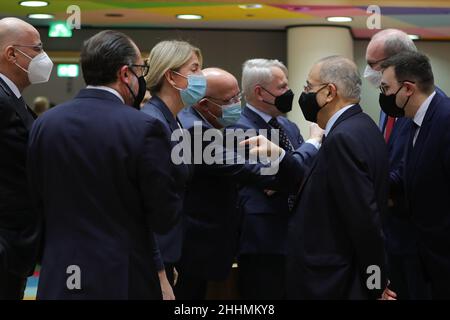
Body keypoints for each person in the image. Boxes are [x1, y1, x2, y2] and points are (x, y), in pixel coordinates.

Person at [27, 30, 181, 299]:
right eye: (140, 69)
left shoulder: (45, 123)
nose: (141, 77)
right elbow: (164, 215)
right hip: (122, 273)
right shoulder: (144, 127)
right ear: (125, 74)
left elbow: (35, 199)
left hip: (58, 269)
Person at [288, 55, 391, 299]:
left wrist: (375, 284)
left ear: (329, 92)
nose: (303, 94)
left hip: (335, 281)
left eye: (308, 87)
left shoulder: (343, 137)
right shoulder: (363, 125)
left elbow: (364, 219)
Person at [230, 59, 322, 299]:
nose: (289, 93)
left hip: (295, 238)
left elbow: (305, 174)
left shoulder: (287, 126)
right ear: (260, 92)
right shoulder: (238, 129)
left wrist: (289, 176)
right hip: (262, 241)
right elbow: (278, 177)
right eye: (282, 87)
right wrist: (312, 145)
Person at [379, 51, 450, 299]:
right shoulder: (412, 120)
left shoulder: (445, 118)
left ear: (407, 88)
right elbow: (409, 175)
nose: (384, 95)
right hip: (421, 258)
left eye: (386, 88)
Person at [365, 29, 430, 299]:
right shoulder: (388, 103)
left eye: (374, 66)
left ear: (399, 63)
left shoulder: (427, 109)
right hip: (391, 234)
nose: (368, 72)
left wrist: (368, 184)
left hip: (417, 237)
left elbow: (413, 170)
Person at [141, 40, 205, 299]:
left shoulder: (174, 120)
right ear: (171, 76)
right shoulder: (153, 122)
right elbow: (147, 204)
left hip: (169, 251)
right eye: (195, 68)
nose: (202, 77)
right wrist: (159, 272)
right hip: (151, 257)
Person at [0, 17, 52, 300]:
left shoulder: (12, 96)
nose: (43, 57)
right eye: (37, 49)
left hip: (17, 243)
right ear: (11, 54)